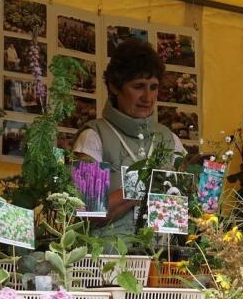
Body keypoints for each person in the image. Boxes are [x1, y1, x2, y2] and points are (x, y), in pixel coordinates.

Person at [73, 38, 185, 235]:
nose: (148, 97)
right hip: (109, 259)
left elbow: (186, 211)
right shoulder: (93, 137)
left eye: (153, 87)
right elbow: (88, 214)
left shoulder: (170, 139)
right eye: (138, 86)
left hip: (163, 257)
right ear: (115, 87)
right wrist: (142, 184)